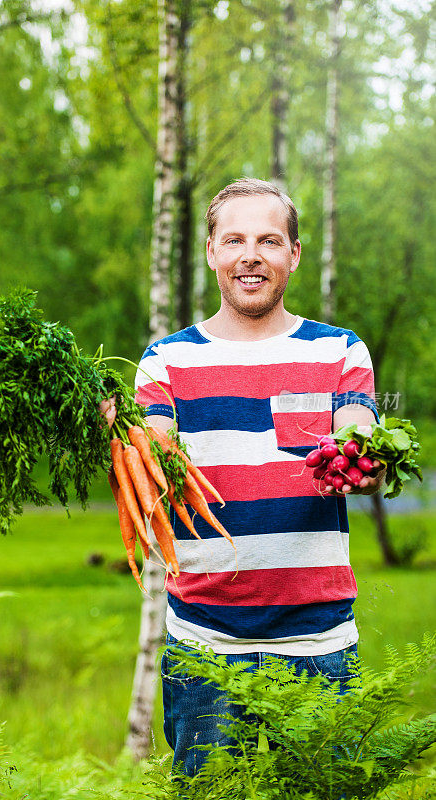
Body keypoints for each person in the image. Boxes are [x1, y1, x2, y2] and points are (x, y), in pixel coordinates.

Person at [102, 178, 384, 776]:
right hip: (203, 643)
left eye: (269, 240)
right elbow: (152, 461)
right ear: (211, 252)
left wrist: (360, 452)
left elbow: (359, 427)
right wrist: (114, 433)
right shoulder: (166, 361)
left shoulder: (340, 351)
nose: (250, 254)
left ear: (294, 255)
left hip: (318, 642)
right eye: (234, 240)